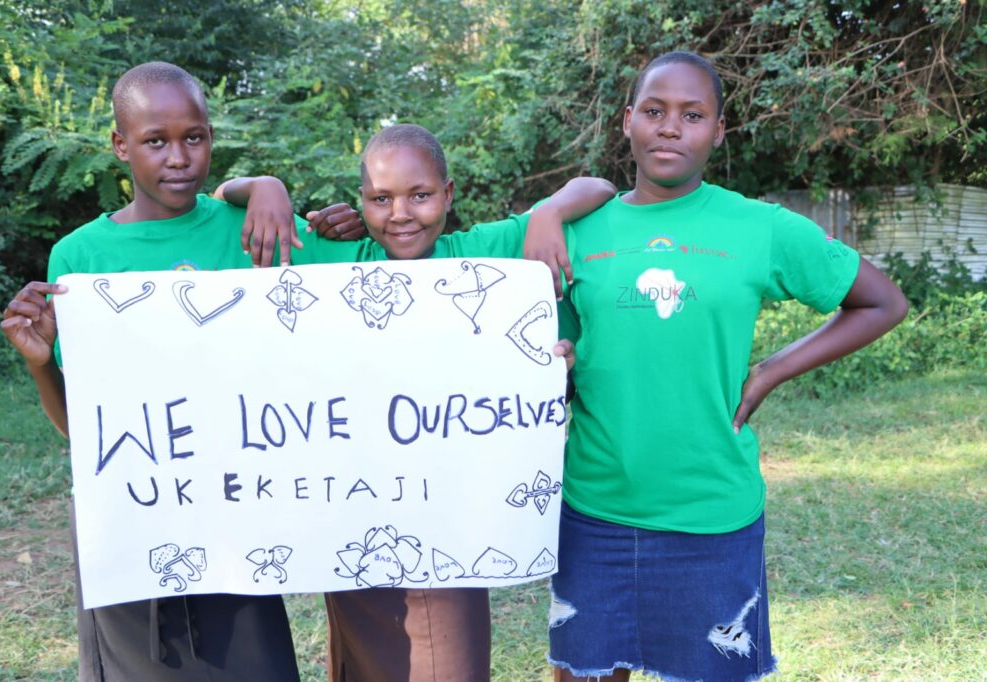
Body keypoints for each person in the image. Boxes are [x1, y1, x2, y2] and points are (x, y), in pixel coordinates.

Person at [526, 51, 910, 682]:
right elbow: (558, 352)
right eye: (654, 111)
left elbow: (881, 302)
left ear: (718, 132)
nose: (670, 127)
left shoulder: (759, 227)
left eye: (692, 114)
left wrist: (770, 370)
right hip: (595, 510)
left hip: (711, 512)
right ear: (628, 122)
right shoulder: (581, 229)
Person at [219, 123, 615, 682]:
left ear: (449, 194)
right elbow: (220, 204)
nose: (401, 214)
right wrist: (265, 186)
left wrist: (547, 212)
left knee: (446, 661)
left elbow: (598, 187)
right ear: (361, 202)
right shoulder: (340, 259)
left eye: (420, 195)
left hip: (449, 528)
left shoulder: (481, 253)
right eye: (381, 199)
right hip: (354, 521)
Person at [0, 61, 324, 681]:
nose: (179, 157)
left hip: (236, 509)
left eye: (194, 137)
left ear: (210, 138)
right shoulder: (80, 257)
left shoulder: (254, 230)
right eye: (155, 141)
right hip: (132, 515)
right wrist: (42, 368)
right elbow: (85, 431)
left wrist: (270, 186)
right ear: (121, 145)